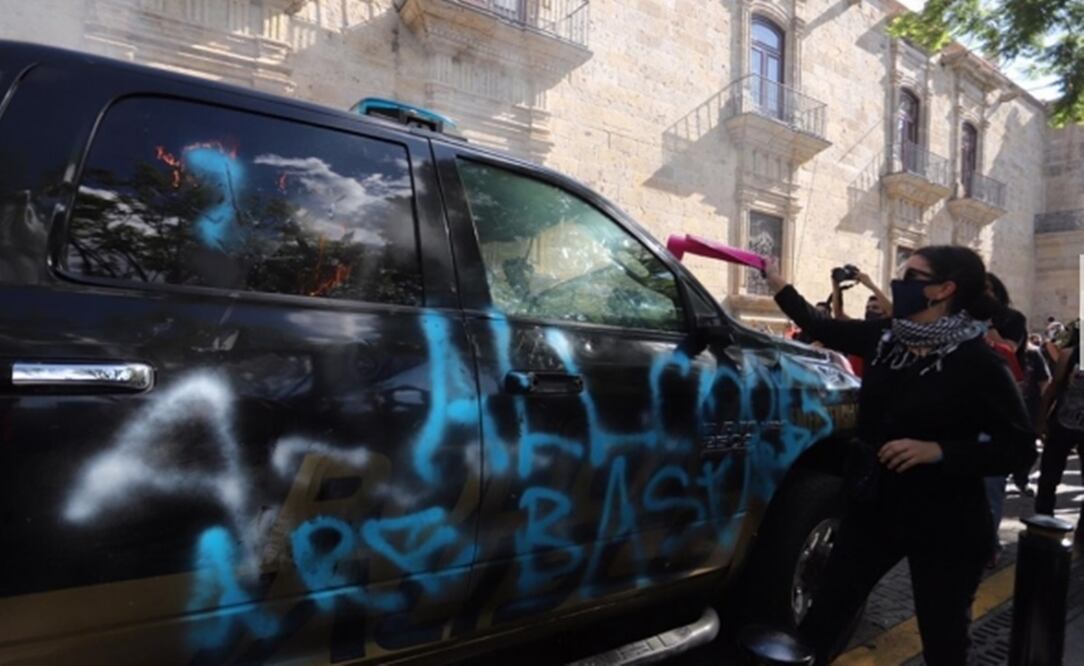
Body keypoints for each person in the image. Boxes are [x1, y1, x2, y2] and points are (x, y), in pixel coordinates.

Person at [764, 245, 1035, 665]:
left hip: (948, 522)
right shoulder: (887, 338)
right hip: (876, 508)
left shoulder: (980, 362)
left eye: (911, 277)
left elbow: (1018, 449)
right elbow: (824, 326)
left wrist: (940, 451)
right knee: (823, 619)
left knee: (944, 640)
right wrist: (778, 285)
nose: (897, 284)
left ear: (943, 289)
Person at [1036, 321, 1084, 547]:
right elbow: (1053, 387)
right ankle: (1042, 524)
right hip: (1062, 424)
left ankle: (1082, 535)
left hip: (1069, 425)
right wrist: (1042, 419)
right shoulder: (1069, 355)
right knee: (1049, 478)